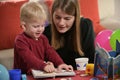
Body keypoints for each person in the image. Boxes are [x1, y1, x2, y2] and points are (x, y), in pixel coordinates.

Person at [13, 1, 73, 74]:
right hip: (24, 76)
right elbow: (29, 58)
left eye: (42, 25)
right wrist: (43, 65)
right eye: (36, 26)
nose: (40, 29)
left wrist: (60, 63)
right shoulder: (20, 40)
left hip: (38, 73)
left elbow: (50, 52)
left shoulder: (43, 38)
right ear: (24, 26)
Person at [43, 0, 95, 70]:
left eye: (67, 18)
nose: (61, 23)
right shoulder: (46, 31)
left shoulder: (85, 26)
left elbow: (91, 60)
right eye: (57, 17)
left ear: (75, 17)